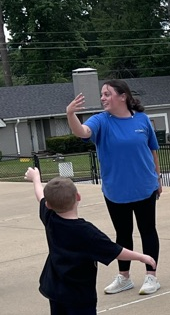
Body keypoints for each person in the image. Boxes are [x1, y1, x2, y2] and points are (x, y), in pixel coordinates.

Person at [25, 168, 156, 315]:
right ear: (78, 197)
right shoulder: (85, 231)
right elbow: (116, 251)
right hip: (79, 293)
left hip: (55, 288)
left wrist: (36, 178)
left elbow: (39, 196)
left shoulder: (50, 218)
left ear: (51, 205)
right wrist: (143, 257)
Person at [66, 79, 162, 296]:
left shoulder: (142, 121)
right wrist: (71, 114)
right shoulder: (101, 121)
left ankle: (151, 276)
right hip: (116, 190)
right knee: (123, 234)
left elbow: (153, 150)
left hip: (145, 187)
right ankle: (124, 277)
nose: (103, 98)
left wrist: (158, 178)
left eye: (107, 94)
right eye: (102, 94)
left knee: (148, 231)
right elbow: (82, 132)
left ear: (123, 96)